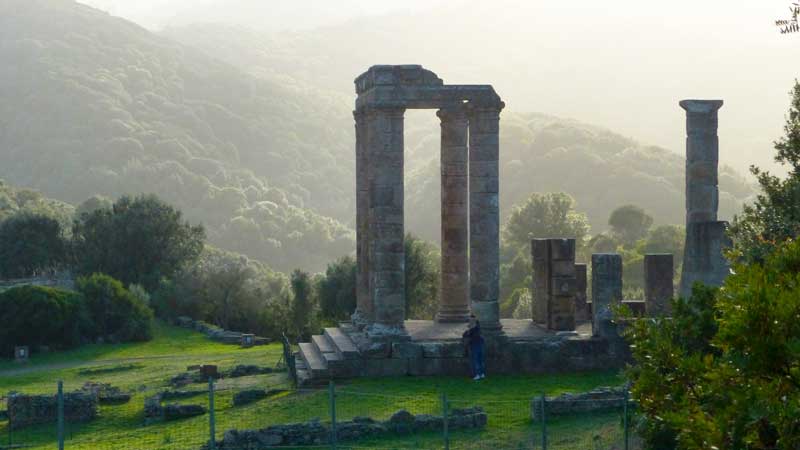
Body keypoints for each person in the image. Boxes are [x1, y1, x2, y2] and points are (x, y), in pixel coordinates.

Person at [462, 314, 486, 380]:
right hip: (480, 344)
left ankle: (478, 374)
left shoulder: (473, 330)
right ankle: (482, 374)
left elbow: (467, 335)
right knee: (481, 360)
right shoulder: (478, 328)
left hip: (475, 345)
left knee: (476, 361)